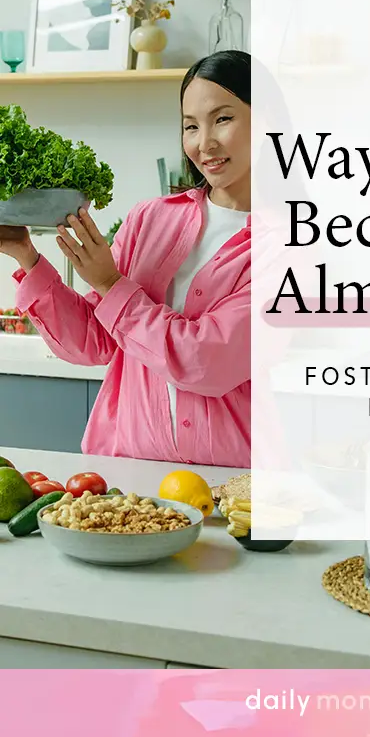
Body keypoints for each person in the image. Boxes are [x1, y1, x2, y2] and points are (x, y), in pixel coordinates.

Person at [0, 50, 257, 467]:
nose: (203, 143)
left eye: (222, 119)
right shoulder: (150, 219)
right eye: (190, 126)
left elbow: (205, 361)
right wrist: (26, 256)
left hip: (233, 483)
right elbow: (95, 342)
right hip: (128, 471)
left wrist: (110, 284)